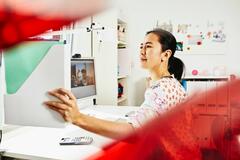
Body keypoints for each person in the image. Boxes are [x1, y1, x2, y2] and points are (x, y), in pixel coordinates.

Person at [44, 28, 186, 139]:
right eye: (141, 46)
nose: (141, 51)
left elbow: (133, 132)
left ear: (166, 55)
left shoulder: (161, 89)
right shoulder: (172, 83)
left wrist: (78, 118)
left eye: (148, 47)